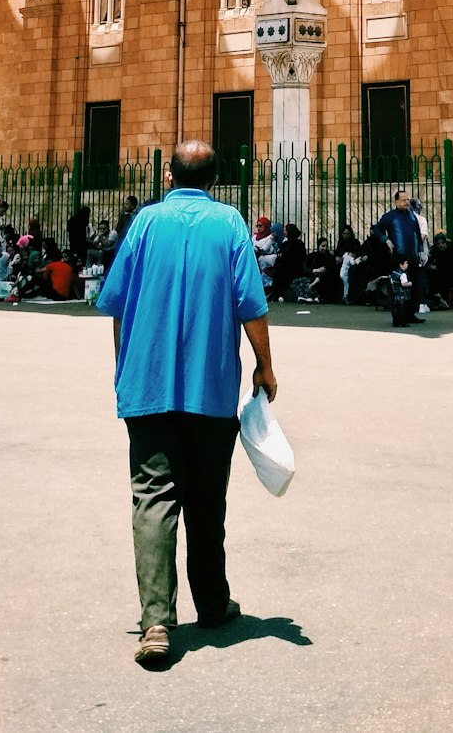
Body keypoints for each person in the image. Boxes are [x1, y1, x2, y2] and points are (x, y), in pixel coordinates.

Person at [97, 139, 275, 669]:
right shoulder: (230, 225)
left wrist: (124, 368)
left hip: (146, 386)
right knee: (206, 497)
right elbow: (252, 306)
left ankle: (156, 620)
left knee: (152, 496)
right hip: (211, 388)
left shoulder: (146, 224)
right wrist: (266, 365)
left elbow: (118, 306)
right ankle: (213, 604)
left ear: (169, 174)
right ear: (214, 178)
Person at [376, 190, 423, 324]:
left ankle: (410, 314)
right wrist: (386, 240)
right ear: (396, 202)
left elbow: (418, 234)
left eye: (408, 200)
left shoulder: (412, 216)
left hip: (412, 257)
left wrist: (420, 250)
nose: (407, 202)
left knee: (413, 287)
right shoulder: (390, 216)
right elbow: (377, 229)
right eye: (403, 200)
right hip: (398, 258)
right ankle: (398, 316)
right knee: (398, 289)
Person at [268, 223, 308, 302]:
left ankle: (276, 294)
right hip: (284, 267)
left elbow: (296, 259)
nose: (284, 232)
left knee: (279, 274)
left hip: (292, 269)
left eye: (286, 230)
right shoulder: (286, 243)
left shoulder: (298, 244)